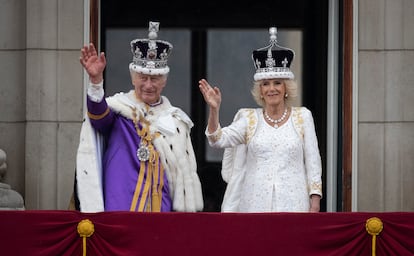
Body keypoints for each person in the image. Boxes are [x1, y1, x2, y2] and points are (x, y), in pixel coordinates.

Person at [74, 21, 203, 212]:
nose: (148, 85)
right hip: (121, 203)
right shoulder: (120, 111)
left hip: (161, 206)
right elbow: (98, 117)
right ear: (133, 78)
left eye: (155, 79)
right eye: (143, 77)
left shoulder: (176, 121)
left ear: (164, 81)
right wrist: (95, 82)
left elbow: (181, 176)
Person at [198, 27, 322, 212]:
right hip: (255, 206)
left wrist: (315, 200)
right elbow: (218, 139)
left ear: (286, 87)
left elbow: (313, 161)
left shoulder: (302, 117)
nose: (272, 88)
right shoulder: (249, 119)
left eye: (277, 82)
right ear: (261, 91)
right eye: (266, 84)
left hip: (294, 205)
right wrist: (214, 110)